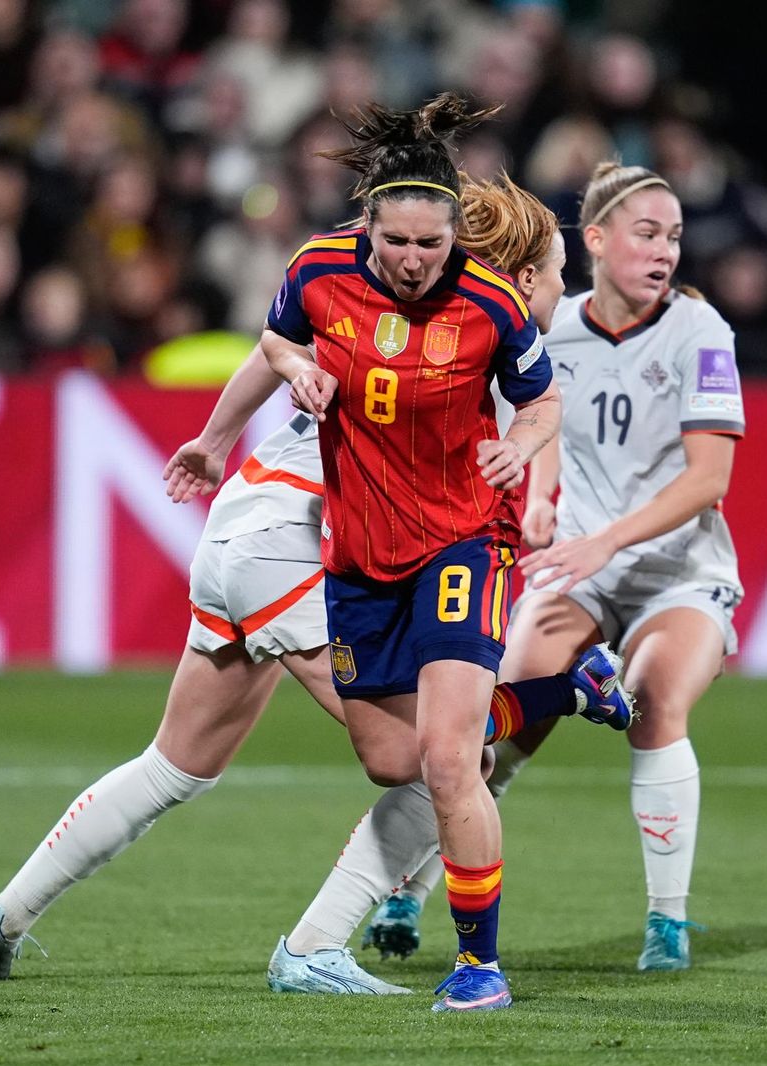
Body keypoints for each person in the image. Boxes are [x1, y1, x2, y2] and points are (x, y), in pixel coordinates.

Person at [0, 106, 631, 1007]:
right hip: (301, 539)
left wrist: (212, 439)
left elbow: (281, 350)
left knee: (177, 763)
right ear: (526, 274)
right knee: (437, 762)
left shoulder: (391, 299)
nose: (561, 301)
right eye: (558, 281)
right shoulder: (471, 321)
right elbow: (295, 347)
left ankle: (1, 917)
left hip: (241, 527)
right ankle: (314, 945)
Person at [259, 95, 613, 1013]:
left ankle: (479, 965)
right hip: (360, 555)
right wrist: (293, 369)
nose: (414, 261)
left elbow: (542, 404)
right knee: (393, 759)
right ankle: (565, 688)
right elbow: (276, 336)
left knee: (452, 759)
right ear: (366, 226)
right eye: (397, 243)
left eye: (430, 244)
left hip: (462, 540)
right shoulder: (316, 271)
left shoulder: (491, 303)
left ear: (455, 234)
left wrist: (521, 448)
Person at [365, 162, 747, 973]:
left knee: (653, 699)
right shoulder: (550, 323)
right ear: (597, 241)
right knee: (494, 709)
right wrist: (539, 497)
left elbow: (709, 478)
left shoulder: (701, 333)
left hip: (678, 569)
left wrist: (606, 541)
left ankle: (666, 920)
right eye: (647, 233)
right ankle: (409, 885)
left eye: (675, 236)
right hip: (578, 561)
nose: (665, 251)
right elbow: (537, 421)